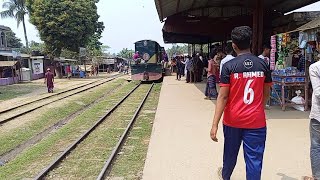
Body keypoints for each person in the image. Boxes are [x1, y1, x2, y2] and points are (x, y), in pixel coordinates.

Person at [210, 26, 272, 180]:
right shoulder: (263, 64)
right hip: (256, 122)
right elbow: (266, 93)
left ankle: (225, 177)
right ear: (250, 42)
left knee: (230, 155)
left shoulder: (229, 66)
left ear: (234, 45)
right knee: (254, 161)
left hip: (233, 121)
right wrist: (259, 109)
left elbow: (223, 97)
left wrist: (215, 124)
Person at [303, 60, 320, 180]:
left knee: (316, 146)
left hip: (318, 114)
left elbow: (318, 92)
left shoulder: (315, 67)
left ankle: (317, 176)